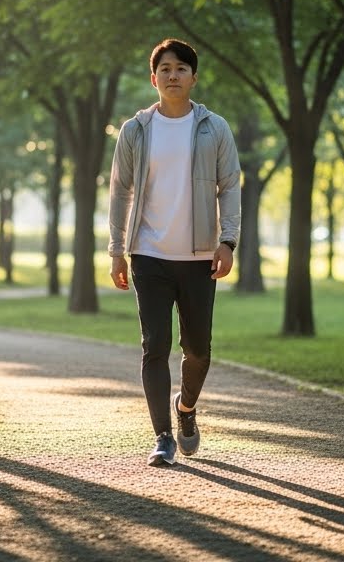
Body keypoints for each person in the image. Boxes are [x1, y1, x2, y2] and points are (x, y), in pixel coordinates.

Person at [108, 38, 241, 467]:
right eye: (165, 68)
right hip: (148, 255)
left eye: (181, 68)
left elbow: (230, 185)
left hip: (200, 256)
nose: (173, 75)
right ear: (154, 78)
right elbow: (120, 191)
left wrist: (228, 241)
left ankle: (186, 408)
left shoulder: (214, 128)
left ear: (193, 77)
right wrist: (117, 250)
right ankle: (162, 436)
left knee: (198, 351)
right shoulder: (135, 130)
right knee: (154, 347)